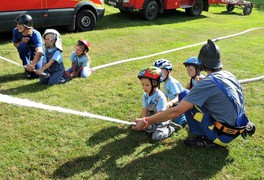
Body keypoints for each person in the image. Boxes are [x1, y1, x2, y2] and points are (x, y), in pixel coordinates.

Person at [133, 39, 255, 148]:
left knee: (184, 95)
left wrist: (146, 120)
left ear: (201, 65)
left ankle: (205, 137)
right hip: (238, 128)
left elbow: (176, 111)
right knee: (188, 94)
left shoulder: (206, 83)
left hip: (221, 136)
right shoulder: (229, 75)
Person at [137, 66, 179, 141]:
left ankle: (171, 127)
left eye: (147, 85)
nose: (144, 87)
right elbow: (145, 109)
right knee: (138, 125)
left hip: (161, 120)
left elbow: (160, 115)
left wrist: (146, 122)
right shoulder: (145, 96)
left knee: (156, 137)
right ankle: (151, 127)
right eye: (142, 85)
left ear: (155, 83)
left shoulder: (160, 97)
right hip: (151, 118)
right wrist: (143, 120)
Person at [153, 59, 187, 129]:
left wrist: (171, 102)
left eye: (161, 72)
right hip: (176, 105)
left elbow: (178, 97)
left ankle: (184, 120)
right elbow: (165, 96)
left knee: (179, 121)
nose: (159, 75)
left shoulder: (171, 83)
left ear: (168, 71)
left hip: (182, 105)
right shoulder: (166, 82)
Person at [12, 14, 43, 79]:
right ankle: (27, 68)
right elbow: (15, 44)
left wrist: (33, 64)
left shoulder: (36, 34)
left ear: (27, 25)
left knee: (36, 75)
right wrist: (21, 42)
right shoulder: (15, 31)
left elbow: (39, 52)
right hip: (26, 53)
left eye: (20, 24)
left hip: (37, 55)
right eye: (17, 24)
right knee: (22, 46)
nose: (18, 26)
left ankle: (32, 66)